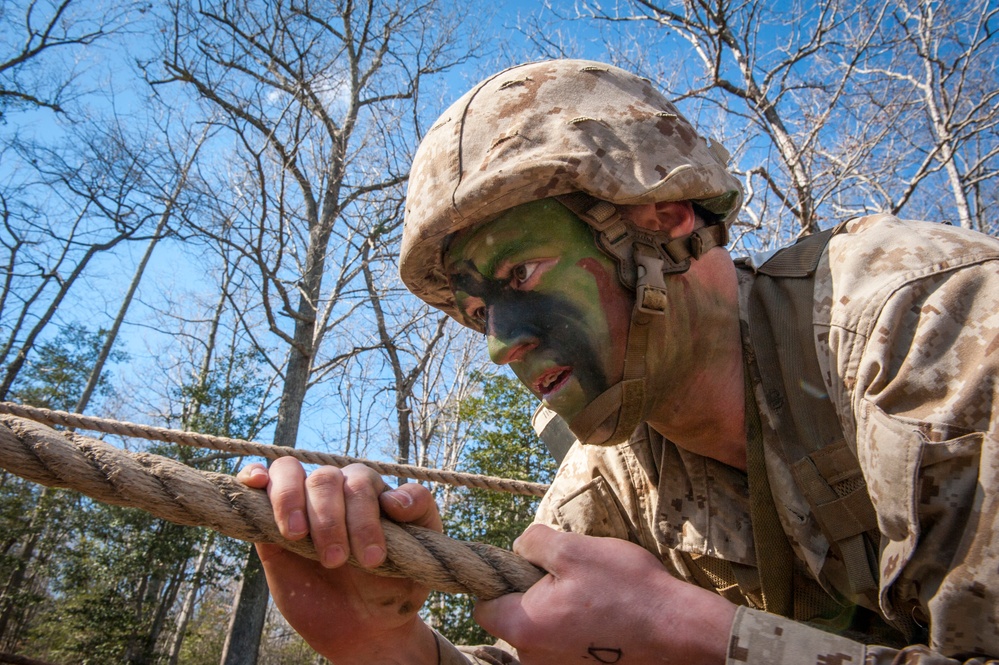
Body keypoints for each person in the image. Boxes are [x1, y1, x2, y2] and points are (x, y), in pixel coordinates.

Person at [236, 59, 999, 664]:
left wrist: (701, 639)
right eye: (477, 314)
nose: (499, 342)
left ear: (662, 218)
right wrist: (384, 649)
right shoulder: (610, 482)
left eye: (520, 277)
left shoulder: (929, 329)